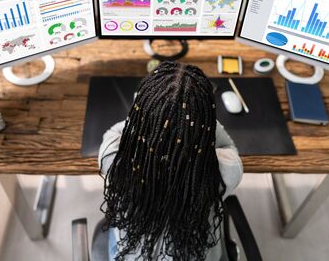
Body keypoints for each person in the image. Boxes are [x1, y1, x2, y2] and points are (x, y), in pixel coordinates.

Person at [99, 61, 243, 260]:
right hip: (197, 253)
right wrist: (202, 125)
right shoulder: (225, 170)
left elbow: (114, 132)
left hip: (130, 253)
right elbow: (229, 147)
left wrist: (146, 118)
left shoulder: (113, 159)